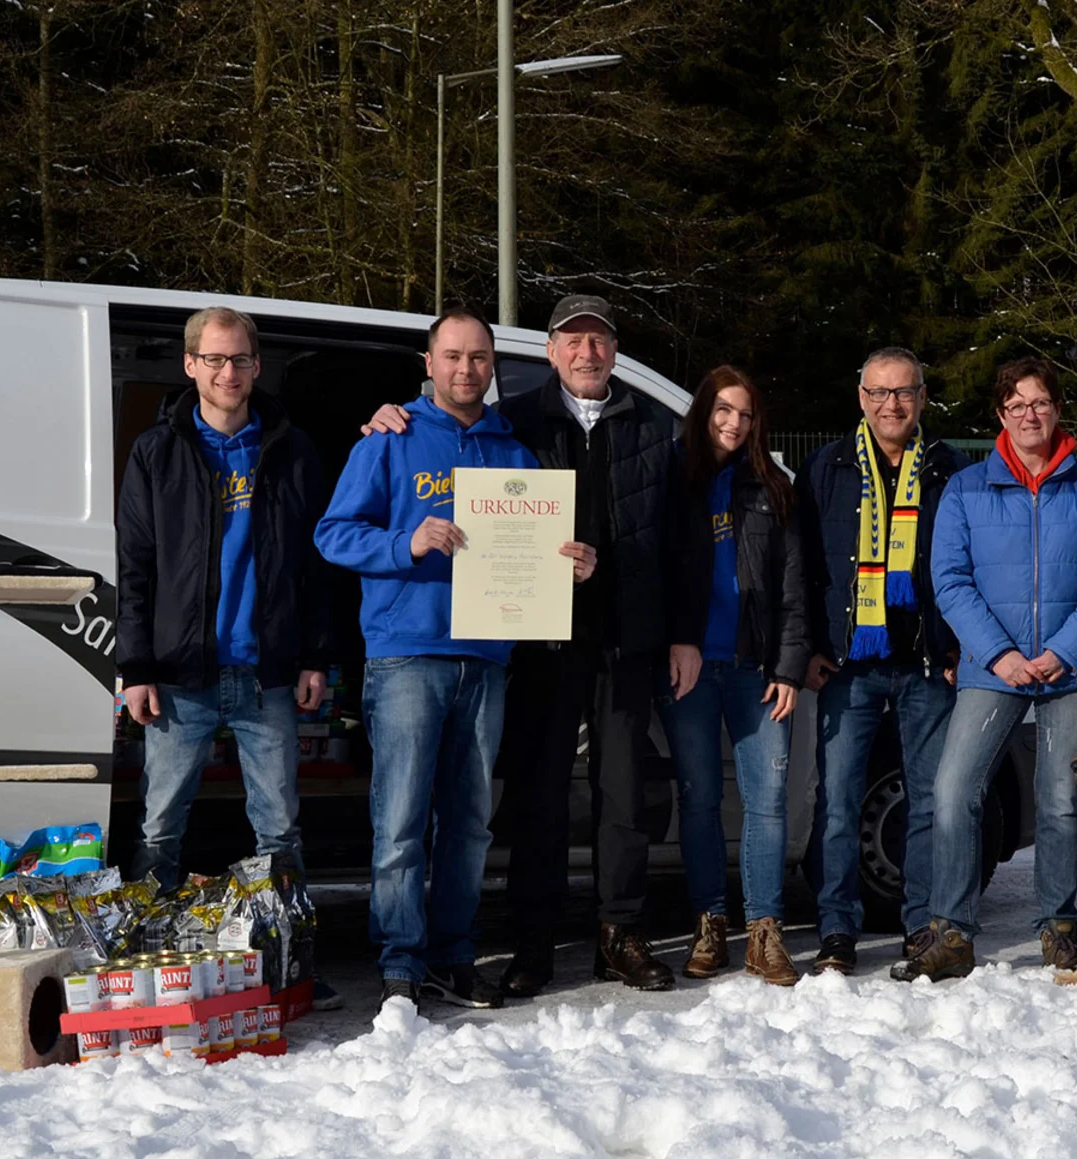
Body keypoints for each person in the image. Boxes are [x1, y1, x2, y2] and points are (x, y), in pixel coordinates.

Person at [362, 295, 683, 995]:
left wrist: (678, 630)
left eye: (598, 340)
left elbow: (681, 537)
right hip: (537, 641)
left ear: (614, 349)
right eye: (572, 341)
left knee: (624, 795)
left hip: (624, 637)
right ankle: (533, 944)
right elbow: (445, 435)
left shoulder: (655, 424)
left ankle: (618, 936)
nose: (586, 353)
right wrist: (394, 412)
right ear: (549, 352)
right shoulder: (517, 425)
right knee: (534, 798)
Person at [317, 307, 596, 1009]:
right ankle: (401, 963)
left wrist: (566, 562)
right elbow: (332, 534)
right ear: (428, 363)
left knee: (470, 824)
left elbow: (535, 545)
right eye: (453, 356)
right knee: (403, 819)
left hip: (488, 659)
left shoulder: (513, 450)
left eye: (479, 358)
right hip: (407, 653)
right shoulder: (389, 440)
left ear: (493, 366)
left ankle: (453, 956)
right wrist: (403, 545)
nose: (466, 369)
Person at [115, 305, 341, 1009]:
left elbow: (314, 564)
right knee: (160, 827)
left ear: (256, 365)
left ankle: (288, 970)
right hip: (181, 675)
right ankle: (151, 969)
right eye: (214, 359)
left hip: (267, 671)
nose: (228, 372)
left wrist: (314, 657)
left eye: (240, 359)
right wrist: (136, 667)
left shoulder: (291, 447)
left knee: (278, 831)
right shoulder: (157, 452)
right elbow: (136, 566)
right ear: (190, 366)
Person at [916, 355, 1077, 981]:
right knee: (953, 791)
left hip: (1067, 671)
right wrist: (1002, 654)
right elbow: (951, 580)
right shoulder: (967, 488)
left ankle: (1058, 926)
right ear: (1000, 413)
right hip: (994, 668)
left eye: (1039, 401)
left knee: (1058, 801)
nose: (1029, 414)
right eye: (1016, 404)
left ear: (1057, 408)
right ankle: (953, 931)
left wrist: (1065, 651)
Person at [796, 347, 969, 977]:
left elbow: (963, 566)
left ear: (923, 398)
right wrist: (811, 646)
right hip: (848, 665)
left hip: (927, 663)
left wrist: (958, 646)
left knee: (927, 801)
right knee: (838, 801)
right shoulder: (826, 468)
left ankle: (921, 923)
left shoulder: (951, 470)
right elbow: (806, 568)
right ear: (860, 396)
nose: (890, 405)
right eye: (878, 393)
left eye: (903, 393)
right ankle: (837, 929)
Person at [659, 367, 808, 986]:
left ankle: (765, 929)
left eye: (745, 414)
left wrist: (790, 666)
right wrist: (677, 639)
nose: (733, 423)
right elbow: (653, 567)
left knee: (767, 800)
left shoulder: (773, 485)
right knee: (698, 797)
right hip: (688, 666)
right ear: (703, 410)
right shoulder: (672, 474)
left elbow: (796, 585)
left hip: (757, 669)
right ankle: (709, 922)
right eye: (723, 410)